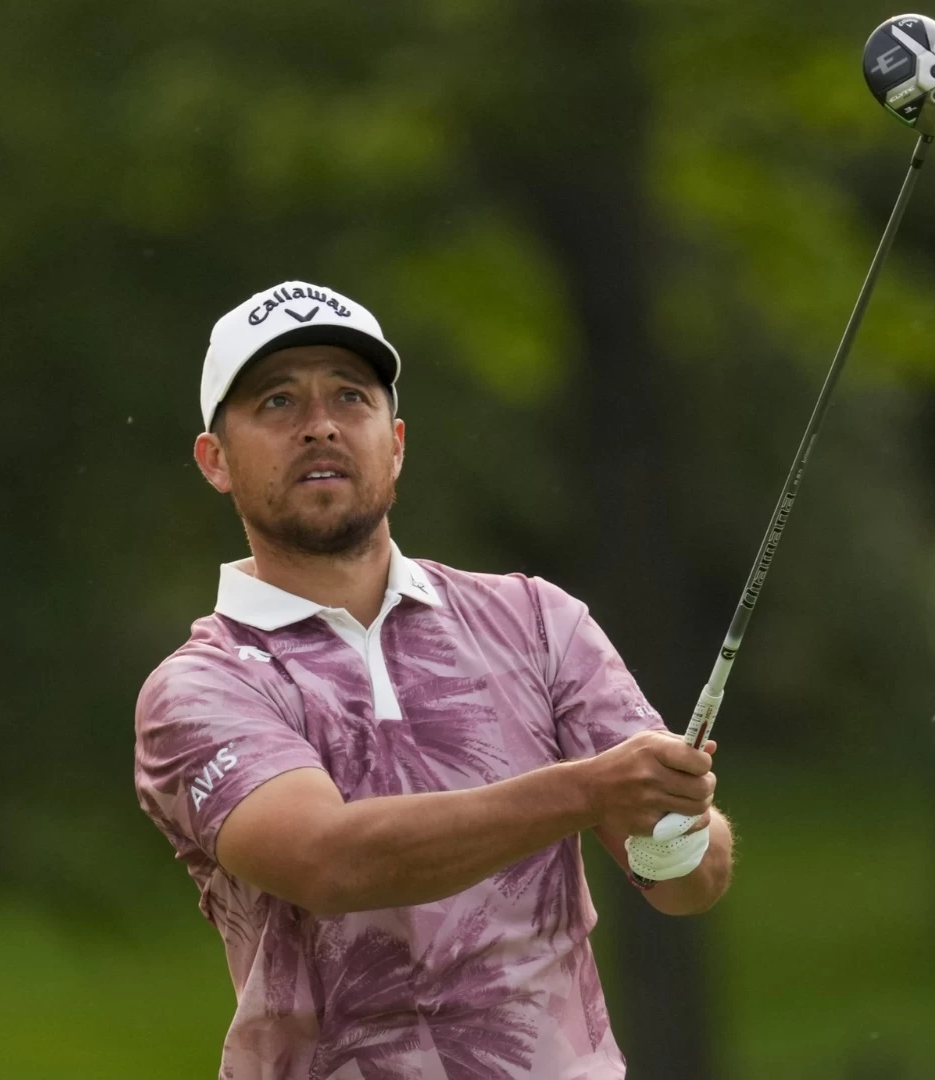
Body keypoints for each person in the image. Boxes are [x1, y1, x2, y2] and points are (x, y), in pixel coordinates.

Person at [133, 280, 733, 1079]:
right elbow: (328, 862)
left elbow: (684, 884)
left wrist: (674, 823)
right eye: (276, 403)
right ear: (216, 461)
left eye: (351, 397)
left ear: (398, 441)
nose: (320, 426)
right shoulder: (200, 688)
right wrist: (590, 791)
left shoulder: (535, 621)